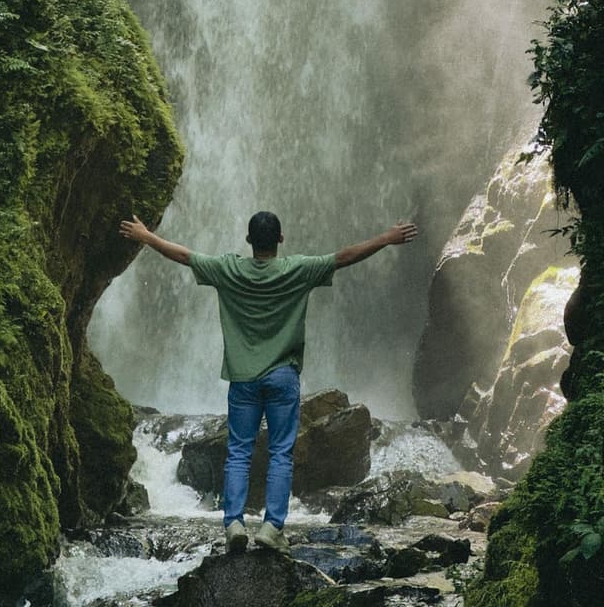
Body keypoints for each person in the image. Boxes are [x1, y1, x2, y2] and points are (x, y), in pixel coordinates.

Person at [119, 211, 418, 555]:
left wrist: (146, 236)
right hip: (282, 377)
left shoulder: (228, 269)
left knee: (239, 452)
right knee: (280, 454)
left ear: (248, 241)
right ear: (281, 239)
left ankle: (233, 522)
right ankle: (272, 527)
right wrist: (386, 237)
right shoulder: (298, 269)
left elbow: (184, 255)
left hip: (243, 378)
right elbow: (345, 256)